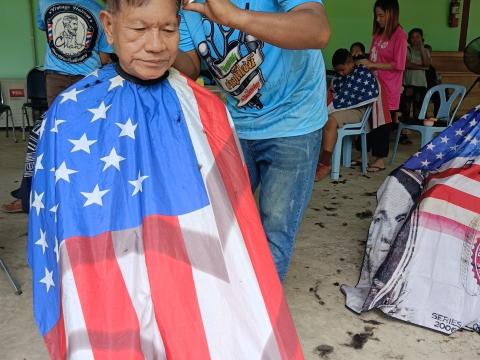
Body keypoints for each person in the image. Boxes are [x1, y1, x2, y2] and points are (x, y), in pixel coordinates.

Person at [28, 0, 303, 358]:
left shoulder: (206, 109)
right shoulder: (69, 114)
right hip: (111, 272)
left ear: (179, 25)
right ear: (109, 27)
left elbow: (231, 219)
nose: (156, 45)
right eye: (139, 30)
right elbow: (66, 228)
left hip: (188, 266)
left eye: (169, 30)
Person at [174, 0, 331, 282]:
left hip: (294, 119)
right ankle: (235, 302)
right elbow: (190, 64)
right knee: (221, 220)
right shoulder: (188, 5)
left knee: (276, 226)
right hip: (239, 121)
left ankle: (263, 318)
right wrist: (156, 42)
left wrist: (234, 17)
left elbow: (316, 30)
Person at [1, 0, 112, 214]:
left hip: (82, 80)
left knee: (77, 137)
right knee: (57, 136)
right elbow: (104, 55)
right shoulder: (49, 2)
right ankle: (43, 194)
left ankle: (78, 193)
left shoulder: (97, 10)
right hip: (66, 77)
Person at [357, 0, 407, 172]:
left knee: (382, 123)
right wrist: (364, 60)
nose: (378, 19)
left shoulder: (399, 35)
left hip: (387, 87)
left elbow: (398, 64)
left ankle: (380, 158)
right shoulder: (378, 34)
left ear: (391, 14)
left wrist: (373, 65)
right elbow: (375, 57)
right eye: (376, 15)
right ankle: (365, 153)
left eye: (381, 15)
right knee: (370, 119)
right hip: (373, 84)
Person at [315, 48, 378, 181]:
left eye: (342, 70)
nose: (340, 73)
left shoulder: (362, 74)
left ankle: (325, 163)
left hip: (359, 111)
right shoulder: (340, 77)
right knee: (317, 119)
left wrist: (334, 108)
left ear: (351, 62)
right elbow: (335, 96)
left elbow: (356, 97)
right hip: (342, 110)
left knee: (331, 121)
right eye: (337, 70)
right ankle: (313, 160)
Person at [401, 28, 430, 122]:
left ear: (421, 38)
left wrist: (421, 47)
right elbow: (407, 64)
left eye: (418, 37)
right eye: (413, 37)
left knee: (419, 110)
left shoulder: (426, 50)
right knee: (406, 108)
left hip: (421, 84)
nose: (415, 39)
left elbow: (427, 64)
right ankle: (404, 132)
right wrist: (422, 68)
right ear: (409, 38)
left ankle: (418, 129)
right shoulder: (407, 49)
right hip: (409, 83)